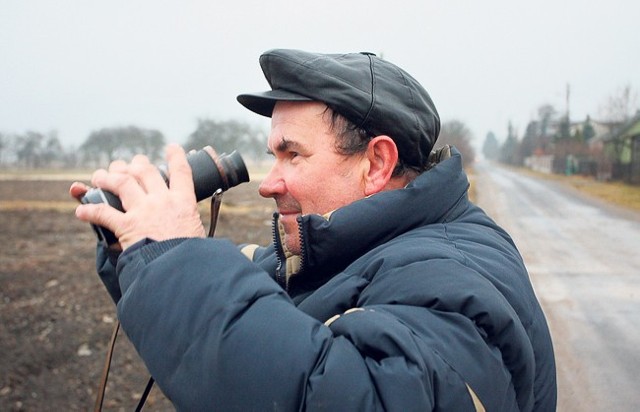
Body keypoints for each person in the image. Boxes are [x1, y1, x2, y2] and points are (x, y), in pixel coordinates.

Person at [71, 49, 557, 411]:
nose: (269, 184)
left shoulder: (451, 277)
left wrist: (177, 256)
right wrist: (138, 251)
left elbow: (357, 397)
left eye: (293, 154)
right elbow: (252, 289)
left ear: (377, 164)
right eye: (272, 156)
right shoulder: (350, 250)